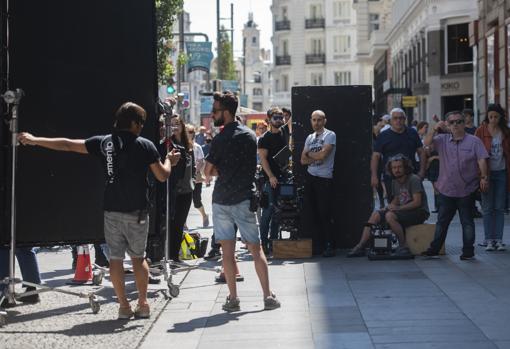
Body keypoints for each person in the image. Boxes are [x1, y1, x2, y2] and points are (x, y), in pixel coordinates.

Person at [17, 102, 180, 319]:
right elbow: (162, 175)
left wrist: (35, 140)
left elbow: (67, 145)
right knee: (138, 257)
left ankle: (123, 307)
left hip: (111, 209)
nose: (141, 127)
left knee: (115, 259)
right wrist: (170, 160)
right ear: (133, 123)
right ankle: (143, 303)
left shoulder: (104, 143)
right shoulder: (144, 145)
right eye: (140, 123)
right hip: (138, 211)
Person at [204, 90, 280, 312]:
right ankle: (268, 296)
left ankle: (233, 298)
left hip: (221, 200)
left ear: (226, 113)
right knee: (257, 250)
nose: (212, 114)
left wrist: (220, 170)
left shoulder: (218, 139)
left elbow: (207, 172)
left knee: (227, 252)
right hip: (244, 198)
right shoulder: (249, 136)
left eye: (215, 111)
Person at [421, 111, 489, 260]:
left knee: (467, 222)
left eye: (459, 121)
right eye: (452, 122)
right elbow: (426, 144)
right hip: (447, 189)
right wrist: (434, 128)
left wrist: (484, 177)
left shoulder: (474, 141)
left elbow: (482, 160)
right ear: (447, 124)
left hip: (467, 189)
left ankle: (468, 251)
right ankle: (434, 249)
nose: (456, 125)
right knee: (442, 222)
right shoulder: (441, 140)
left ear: (464, 123)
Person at [348, 154, 429, 257]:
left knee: (390, 216)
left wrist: (398, 208)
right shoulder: (395, 181)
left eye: (399, 167)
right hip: (405, 210)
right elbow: (397, 199)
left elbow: (417, 202)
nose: (397, 170)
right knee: (376, 214)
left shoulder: (414, 179)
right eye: (394, 168)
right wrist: (387, 207)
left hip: (419, 212)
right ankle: (361, 246)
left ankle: (403, 247)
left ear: (405, 167)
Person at [300, 110, 337, 257]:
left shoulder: (330, 135)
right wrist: (314, 156)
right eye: (314, 120)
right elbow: (302, 160)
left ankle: (329, 245)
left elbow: (323, 155)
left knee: (324, 213)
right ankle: (317, 245)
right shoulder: (309, 137)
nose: (316, 123)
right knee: (312, 213)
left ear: (324, 121)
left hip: (324, 178)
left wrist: (310, 154)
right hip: (310, 177)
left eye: (319, 120)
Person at [371, 108, 426, 204]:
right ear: (391, 120)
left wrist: (422, 171)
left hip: (411, 176)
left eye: (401, 118)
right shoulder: (383, 136)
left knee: (414, 204)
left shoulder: (412, 133)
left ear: (405, 119)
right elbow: (375, 156)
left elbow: (421, 152)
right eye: (395, 118)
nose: (398, 120)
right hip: (391, 178)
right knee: (393, 205)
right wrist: (374, 176)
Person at [475, 104, 510, 251]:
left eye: (496, 116)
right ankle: (489, 239)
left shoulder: (506, 132)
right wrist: (481, 175)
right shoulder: (481, 131)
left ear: (500, 117)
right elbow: (475, 151)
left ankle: (499, 239)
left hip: (502, 172)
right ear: (487, 117)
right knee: (488, 208)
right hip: (486, 175)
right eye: (491, 117)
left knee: (499, 208)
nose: (493, 119)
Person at [258, 107, 287, 254]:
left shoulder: (284, 134)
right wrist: (271, 176)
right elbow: (263, 159)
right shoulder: (265, 138)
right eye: (276, 117)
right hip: (269, 179)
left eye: (281, 117)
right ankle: (263, 243)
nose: (280, 119)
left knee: (278, 212)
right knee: (268, 212)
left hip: (283, 177)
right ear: (269, 119)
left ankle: (274, 243)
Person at [167, 115, 194, 262]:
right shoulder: (168, 144)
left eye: (178, 124)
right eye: (172, 124)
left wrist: (193, 181)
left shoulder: (188, 145)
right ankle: (168, 255)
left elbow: (193, 167)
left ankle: (174, 255)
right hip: (172, 190)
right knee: (170, 223)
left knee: (179, 223)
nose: (175, 127)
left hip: (187, 190)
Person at [187, 124, 209, 228]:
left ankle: (204, 216)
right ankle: (184, 223)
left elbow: (201, 160)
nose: (188, 135)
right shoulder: (181, 146)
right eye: (187, 132)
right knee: (184, 201)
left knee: (196, 201)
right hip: (184, 178)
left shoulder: (197, 147)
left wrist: (195, 170)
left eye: (191, 132)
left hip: (196, 177)